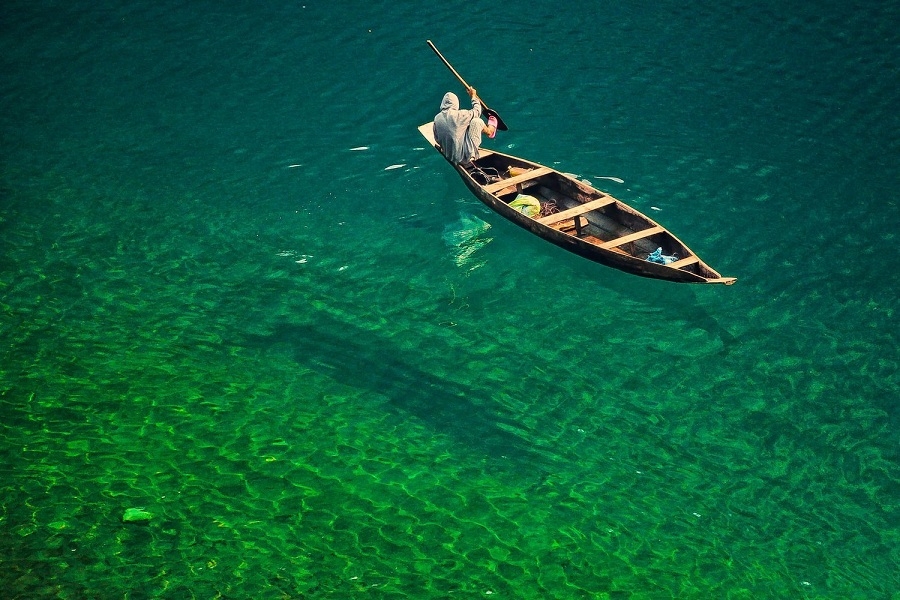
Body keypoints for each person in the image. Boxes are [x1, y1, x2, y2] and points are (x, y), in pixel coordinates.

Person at [433, 87, 497, 165]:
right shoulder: (459, 115)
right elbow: (477, 111)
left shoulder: (437, 118)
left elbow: (437, 139)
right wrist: (473, 96)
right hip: (464, 157)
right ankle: (490, 131)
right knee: (477, 121)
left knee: (464, 126)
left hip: (449, 156)